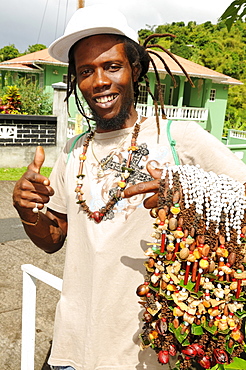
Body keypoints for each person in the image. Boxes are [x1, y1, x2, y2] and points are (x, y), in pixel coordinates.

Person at [13, 5, 246, 370]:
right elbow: (54, 237)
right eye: (86, 71)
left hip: (145, 354)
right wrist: (28, 215)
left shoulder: (178, 139)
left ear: (134, 70)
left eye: (112, 66)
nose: (100, 81)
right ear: (76, 81)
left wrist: (184, 190)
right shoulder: (74, 149)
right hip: (71, 348)